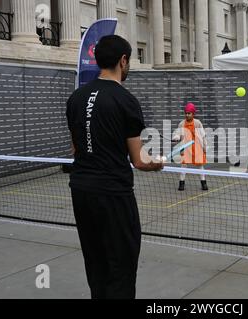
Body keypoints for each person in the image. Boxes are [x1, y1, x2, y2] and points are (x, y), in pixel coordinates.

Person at [66, 35, 164, 299]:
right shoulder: (126, 100)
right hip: (112, 195)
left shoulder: (76, 98)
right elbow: (140, 160)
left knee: (96, 264)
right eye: (129, 61)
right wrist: (159, 163)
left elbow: (76, 148)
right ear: (123, 61)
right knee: (121, 266)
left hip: (81, 192)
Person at [173, 102, 208, 191]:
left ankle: (203, 183)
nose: (187, 115)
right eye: (186, 113)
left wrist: (204, 147)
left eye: (189, 113)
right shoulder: (181, 124)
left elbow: (203, 136)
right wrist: (176, 137)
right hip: (186, 148)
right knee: (184, 166)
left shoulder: (197, 123)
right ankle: (181, 183)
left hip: (197, 148)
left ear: (193, 114)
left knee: (200, 166)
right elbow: (177, 133)